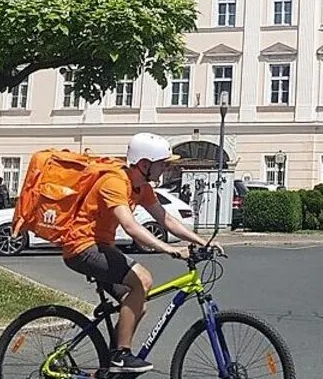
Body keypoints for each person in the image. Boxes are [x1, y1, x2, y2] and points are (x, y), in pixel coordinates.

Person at [62, 133, 221, 374]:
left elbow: (165, 218)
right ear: (145, 164)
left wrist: (203, 241)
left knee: (137, 304)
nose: (166, 169)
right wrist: (169, 249)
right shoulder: (114, 182)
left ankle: (107, 370)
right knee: (143, 280)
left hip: (102, 246)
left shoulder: (142, 187)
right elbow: (131, 227)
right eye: (163, 164)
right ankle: (120, 356)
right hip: (82, 246)